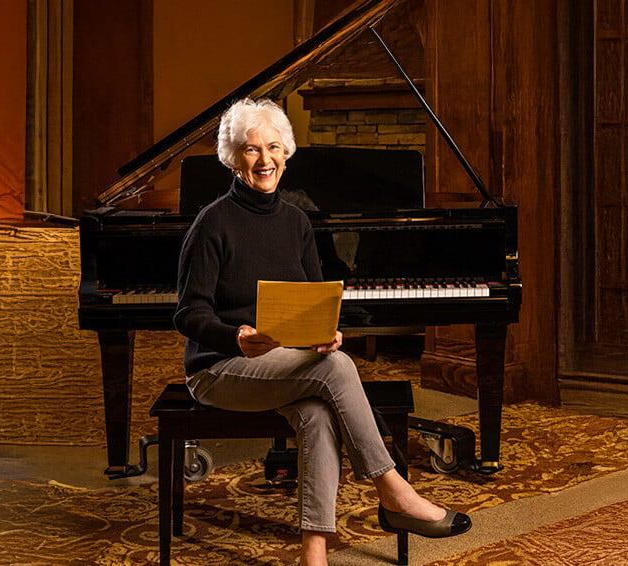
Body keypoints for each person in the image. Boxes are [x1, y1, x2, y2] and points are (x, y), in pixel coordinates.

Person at [173, 98, 471, 566]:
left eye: (274, 148)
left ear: (287, 154)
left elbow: (316, 303)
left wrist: (326, 333)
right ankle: (392, 490)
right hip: (220, 369)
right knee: (337, 369)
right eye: (252, 150)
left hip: (288, 365)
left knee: (317, 411)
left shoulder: (296, 223)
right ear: (233, 158)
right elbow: (187, 314)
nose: (265, 160)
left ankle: (314, 553)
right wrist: (236, 337)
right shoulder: (213, 223)